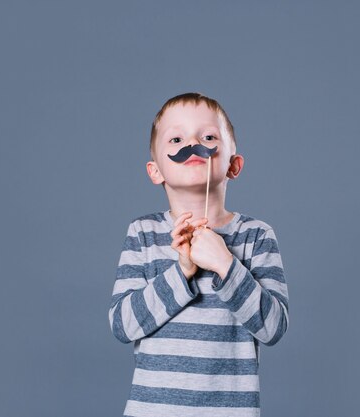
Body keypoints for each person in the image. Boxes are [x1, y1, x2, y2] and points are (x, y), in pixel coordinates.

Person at [109, 92, 289, 417]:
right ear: (155, 171)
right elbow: (123, 325)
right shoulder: (143, 234)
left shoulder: (256, 236)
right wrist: (181, 273)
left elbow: (273, 328)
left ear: (234, 165)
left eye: (208, 136)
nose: (192, 144)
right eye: (177, 138)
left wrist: (226, 264)